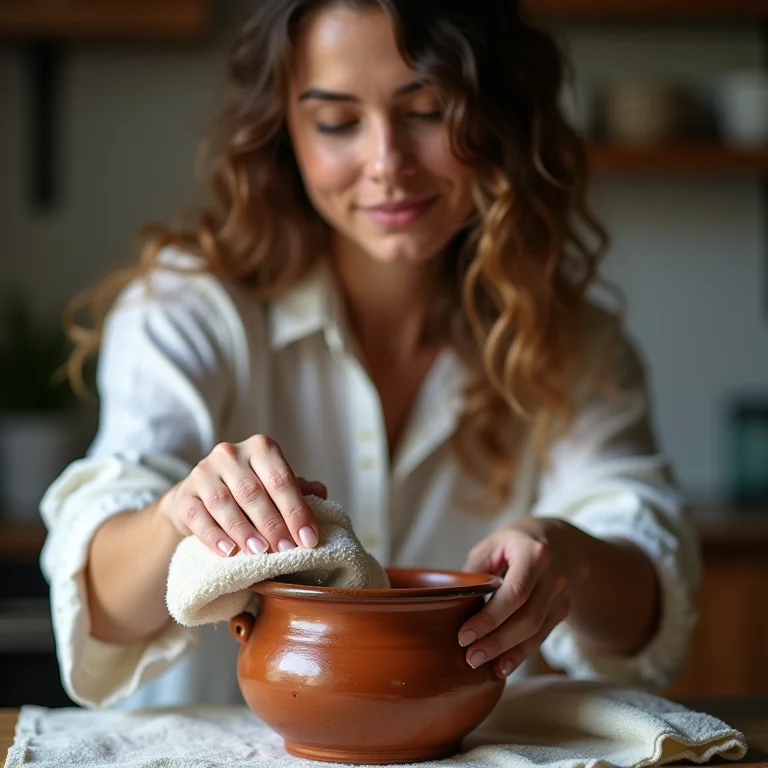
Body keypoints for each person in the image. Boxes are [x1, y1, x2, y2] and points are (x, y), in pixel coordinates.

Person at [40, 0, 700, 711]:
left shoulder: (573, 339)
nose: (387, 163)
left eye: (427, 111)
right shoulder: (189, 309)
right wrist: (178, 511)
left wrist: (566, 556)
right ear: (283, 131)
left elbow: (648, 613)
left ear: (497, 117)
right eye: (337, 122)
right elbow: (98, 609)